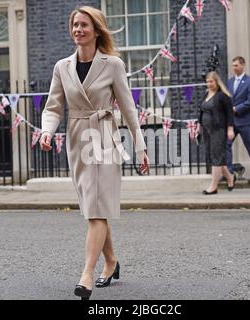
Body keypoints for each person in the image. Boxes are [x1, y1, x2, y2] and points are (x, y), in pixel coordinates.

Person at [39, 6, 150, 300]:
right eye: (75, 25)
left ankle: (87, 274)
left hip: (103, 138)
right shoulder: (62, 66)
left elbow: (128, 108)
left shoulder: (112, 64)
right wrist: (47, 131)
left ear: (96, 30)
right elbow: (53, 107)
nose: (78, 29)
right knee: (93, 207)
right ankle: (111, 262)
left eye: (84, 25)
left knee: (96, 209)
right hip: (77, 140)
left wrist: (140, 145)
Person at [196, 72, 235, 195]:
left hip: (218, 130)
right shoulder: (206, 95)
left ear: (217, 82)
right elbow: (201, 112)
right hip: (207, 130)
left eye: (211, 81)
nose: (209, 83)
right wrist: (199, 126)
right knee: (215, 158)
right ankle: (230, 177)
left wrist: (230, 129)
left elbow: (230, 114)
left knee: (217, 157)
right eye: (207, 81)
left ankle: (213, 186)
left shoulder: (222, 96)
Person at [226, 56, 250, 183]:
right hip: (232, 121)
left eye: (236, 65)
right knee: (226, 145)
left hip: (245, 120)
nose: (234, 68)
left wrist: (237, 108)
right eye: (233, 65)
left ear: (243, 65)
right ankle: (229, 173)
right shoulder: (229, 82)